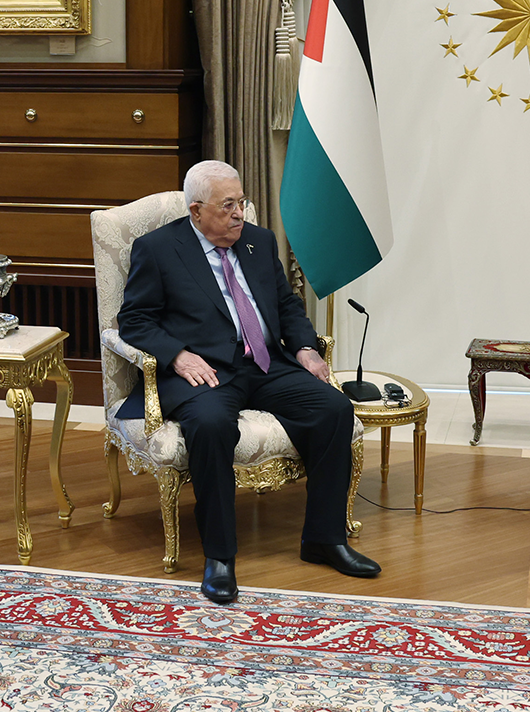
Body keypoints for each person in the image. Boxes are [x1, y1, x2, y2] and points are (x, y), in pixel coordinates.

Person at [116, 161, 380, 604]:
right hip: (207, 372)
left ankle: (324, 538)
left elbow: (286, 303)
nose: (240, 213)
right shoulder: (158, 249)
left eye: (241, 202)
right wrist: (178, 356)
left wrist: (304, 348)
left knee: (333, 409)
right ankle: (219, 557)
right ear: (197, 211)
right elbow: (134, 320)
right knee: (212, 426)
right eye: (228, 206)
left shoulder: (259, 241)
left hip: (264, 363)